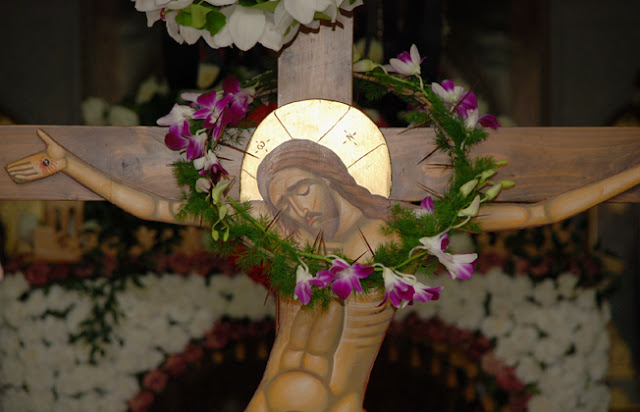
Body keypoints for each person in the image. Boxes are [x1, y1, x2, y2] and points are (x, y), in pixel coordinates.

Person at [256, 139, 391, 258]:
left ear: (325, 176)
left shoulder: (377, 236)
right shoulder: (313, 245)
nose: (301, 212)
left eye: (302, 190)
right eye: (286, 207)